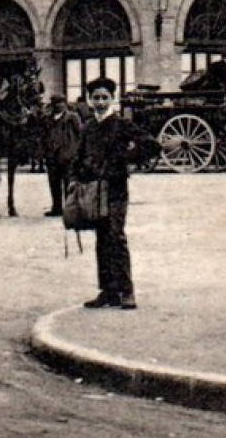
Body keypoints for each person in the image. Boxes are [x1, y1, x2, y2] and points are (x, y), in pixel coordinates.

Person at [73, 76, 156, 310]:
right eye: (95, 98)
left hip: (116, 190)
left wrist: (124, 161)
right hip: (93, 191)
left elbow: (151, 145)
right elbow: (78, 155)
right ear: (90, 100)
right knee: (101, 239)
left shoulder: (121, 124)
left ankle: (127, 291)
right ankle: (108, 291)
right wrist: (77, 177)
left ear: (112, 99)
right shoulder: (88, 126)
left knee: (116, 237)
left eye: (104, 98)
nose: (99, 102)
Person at [40, 94, 82, 217]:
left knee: (68, 182)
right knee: (54, 182)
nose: (58, 105)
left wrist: (76, 151)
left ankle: (69, 209)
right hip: (52, 155)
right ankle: (56, 207)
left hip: (68, 155)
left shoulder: (72, 117)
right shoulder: (48, 119)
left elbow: (80, 134)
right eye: (55, 103)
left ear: (65, 104)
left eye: (61, 102)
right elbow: (43, 135)